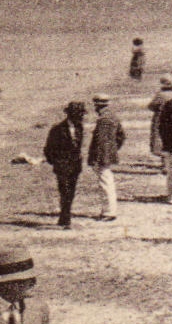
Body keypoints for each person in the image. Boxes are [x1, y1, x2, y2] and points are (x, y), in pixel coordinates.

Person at [42, 101, 87, 228]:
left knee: (71, 191)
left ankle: (65, 215)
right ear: (70, 115)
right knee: (64, 190)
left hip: (75, 165)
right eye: (78, 115)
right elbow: (48, 149)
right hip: (62, 165)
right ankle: (65, 216)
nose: (81, 118)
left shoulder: (80, 128)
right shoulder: (57, 129)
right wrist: (55, 162)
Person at [88, 93, 125, 222]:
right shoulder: (113, 116)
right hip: (107, 155)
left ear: (97, 105)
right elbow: (121, 136)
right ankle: (108, 211)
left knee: (105, 183)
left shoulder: (103, 119)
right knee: (107, 182)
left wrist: (99, 157)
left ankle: (109, 212)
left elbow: (100, 142)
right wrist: (113, 149)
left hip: (102, 156)